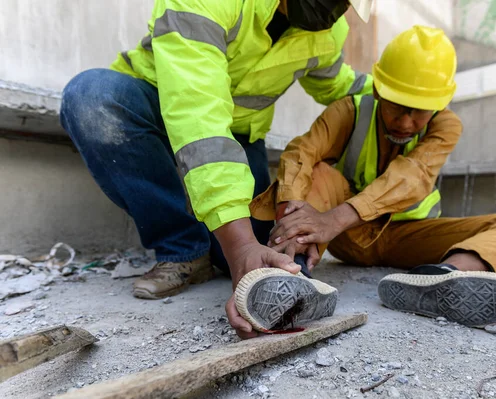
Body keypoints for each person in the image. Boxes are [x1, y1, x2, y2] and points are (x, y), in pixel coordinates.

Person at [59, 0, 374, 338]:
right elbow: (198, 111)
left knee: (254, 252)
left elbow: (335, 83)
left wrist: (400, 98)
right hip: (157, 103)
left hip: (238, 134)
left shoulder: (328, 28)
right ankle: (183, 249)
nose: (336, 9)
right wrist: (239, 245)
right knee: (92, 100)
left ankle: (224, 254)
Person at [239, 26, 496, 332]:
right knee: (314, 173)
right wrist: (291, 206)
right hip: (348, 237)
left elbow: (411, 177)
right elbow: (301, 152)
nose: (406, 122)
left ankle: (443, 277)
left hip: (407, 237)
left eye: (420, 112)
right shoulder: (348, 112)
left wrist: (332, 219)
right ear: (378, 91)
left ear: (440, 104)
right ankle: (293, 276)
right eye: (397, 108)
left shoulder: (445, 126)